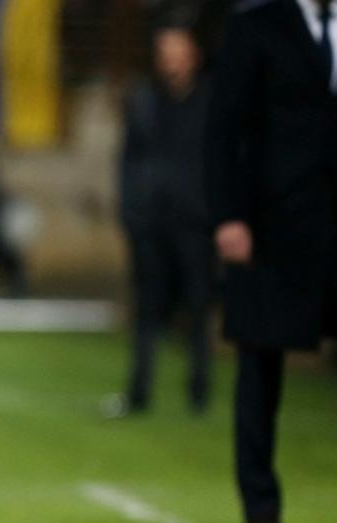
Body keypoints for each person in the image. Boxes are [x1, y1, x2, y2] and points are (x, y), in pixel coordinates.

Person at [207, 0, 337, 523]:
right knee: (261, 364)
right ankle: (260, 511)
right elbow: (224, 129)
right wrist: (229, 216)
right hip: (270, 228)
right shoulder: (252, 26)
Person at [115, 22, 213, 416]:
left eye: (180, 50)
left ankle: (199, 391)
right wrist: (130, 209)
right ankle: (139, 390)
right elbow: (127, 160)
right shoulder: (143, 100)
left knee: (198, 305)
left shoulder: (211, 100)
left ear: (194, 55)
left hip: (194, 221)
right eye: (166, 51)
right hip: (150, 220)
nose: (173, 60)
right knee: (146, 307)